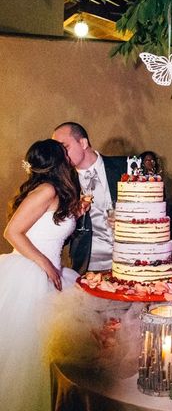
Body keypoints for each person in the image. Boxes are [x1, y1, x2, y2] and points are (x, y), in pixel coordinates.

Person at [0, 139, 83, 411]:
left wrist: (77, 212)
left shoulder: (53, 191)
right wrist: (45, 264)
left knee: (48, 353)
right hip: (31, 275)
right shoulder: (46, 190)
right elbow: (12, 233)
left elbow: (48, 227)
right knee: (29, 353)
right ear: (58, 161)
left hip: (51, 272)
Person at [53, 122, 127, 273]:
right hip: (90, 265)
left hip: (131, 259)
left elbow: (154, 208)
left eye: (65, 147)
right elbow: (62, 236)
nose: (60, 155)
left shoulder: (124, 166)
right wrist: (72, 216)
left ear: (83, 142)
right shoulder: (61, 184)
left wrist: (129, 218)